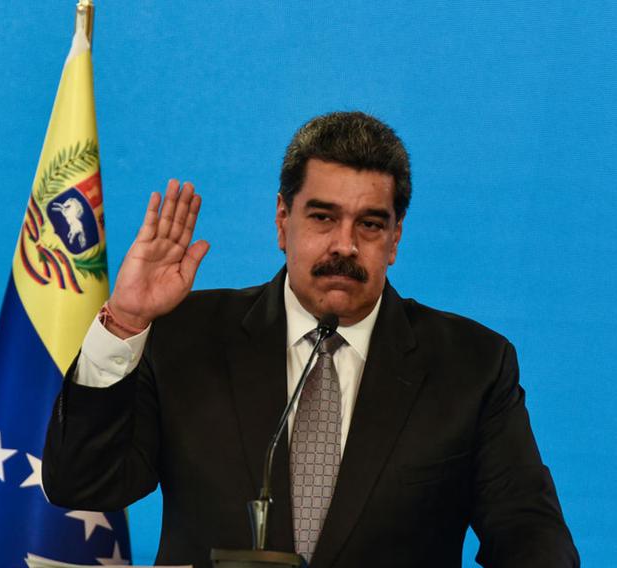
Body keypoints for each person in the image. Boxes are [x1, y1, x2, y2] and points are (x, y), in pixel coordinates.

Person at [43, 111, 580, 567]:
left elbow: (529, 534)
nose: (344, 245)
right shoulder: (187, 336)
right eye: (323, 217)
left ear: (394, 239)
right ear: (283, 220)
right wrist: (127, 322)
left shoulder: (472, 365)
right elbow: (82, 484)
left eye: (370, 225)